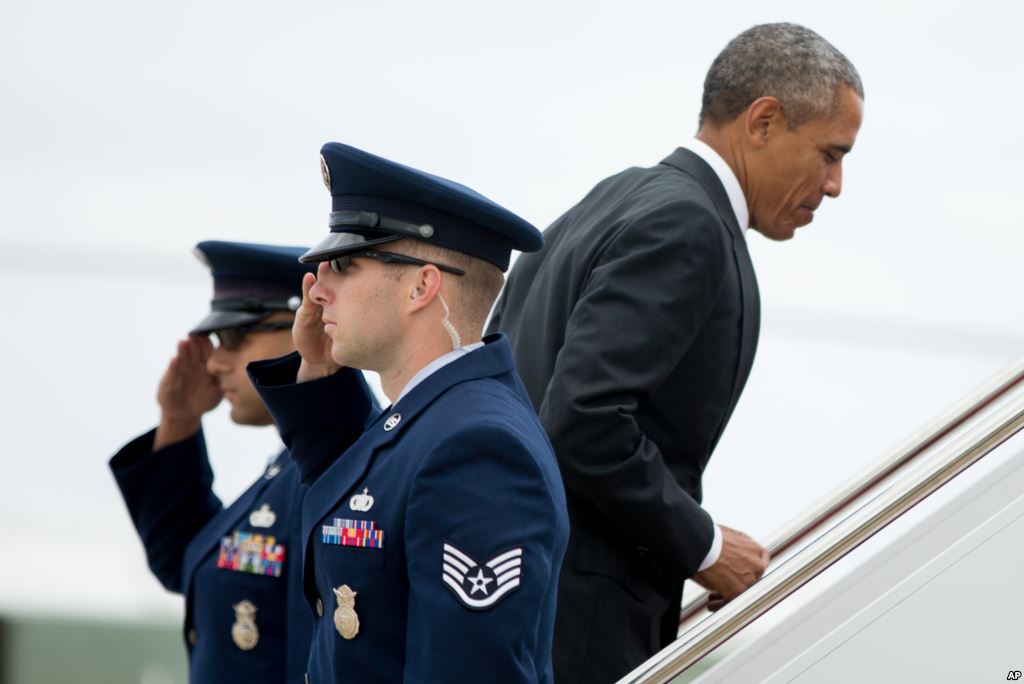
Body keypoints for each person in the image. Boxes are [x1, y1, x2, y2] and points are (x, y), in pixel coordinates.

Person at [486, 22, 865, 682]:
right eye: (831, 153)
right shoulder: (687, 223)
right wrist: (706, 546)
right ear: (765, 121)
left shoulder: (604, 202)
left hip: (512, 602)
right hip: (581, 629)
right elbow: (583, 421)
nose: (834, 185)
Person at [247, 142, 570, 683]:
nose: (317, 290)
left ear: (422, 285)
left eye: (345, 264)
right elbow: (357, 489)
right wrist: (320, 372)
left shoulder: (478, 448)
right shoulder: (435, 420)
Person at [110, 241, 374, 684]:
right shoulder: (290, 468)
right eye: (215, 340)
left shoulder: (339, 465)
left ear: (310, 322)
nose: (214, 361)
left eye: (234, 337)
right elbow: (191, 563)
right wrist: (178, 422)